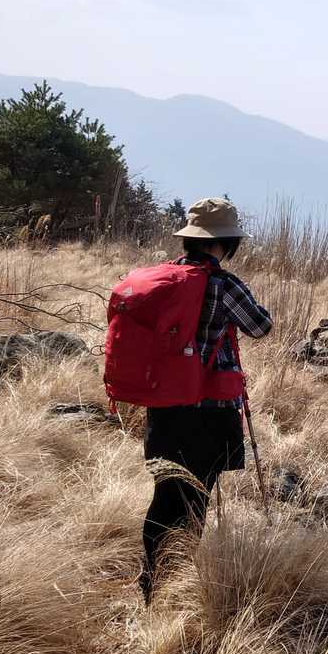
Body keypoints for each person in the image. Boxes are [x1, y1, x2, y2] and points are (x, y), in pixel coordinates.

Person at [139, 196, 273, 601]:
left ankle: (152, 578)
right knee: (195, 497)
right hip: (208, 411)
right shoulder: (223, 283)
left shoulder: (162, 279)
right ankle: (173, 584)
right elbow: (260, 326)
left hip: (163, 406)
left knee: (165, 493)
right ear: (225, 242)